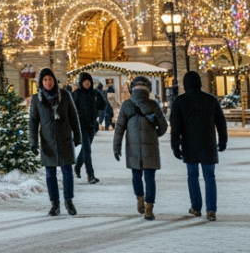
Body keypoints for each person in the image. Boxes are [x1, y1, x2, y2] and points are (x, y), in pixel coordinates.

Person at [170, 71, 227, 221]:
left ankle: (196, 207)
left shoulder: (180, 101)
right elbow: (220, 122)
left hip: (190, 144)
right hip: (208, 142)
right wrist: (223, 140)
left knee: (192, 175)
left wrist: (175, 146)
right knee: (209, 176)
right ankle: (211, 209)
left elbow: (175, 127)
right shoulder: (210, 100)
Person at [28, 68, 81, 216]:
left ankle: (68, 201)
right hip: (48, 141)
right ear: (41, 82)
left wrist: (77, 136)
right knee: (50, 173)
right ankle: (55, 204)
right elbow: (33, 121)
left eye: (50, 79)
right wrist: (33, 142)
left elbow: (73, 117)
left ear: (54, 80)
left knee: (67, 171)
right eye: (44, 80)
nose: (48, 82)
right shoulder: (36, 99)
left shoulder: (64, 95)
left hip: (64, 139)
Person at [114, 75, 168, 220]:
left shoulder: (127, 105)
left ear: (132, 89)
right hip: (151, 148)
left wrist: (116, 147)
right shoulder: (153, 104)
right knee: (150, 178)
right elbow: (163, 126)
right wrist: (155, 134)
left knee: (136, 176)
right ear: (148, 89)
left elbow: (119, 128)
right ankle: (149, 210)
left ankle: (140, 200)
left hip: (133, 149)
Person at [71, 72, 106, 184]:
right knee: (87, 149)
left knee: (85, 149)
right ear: (81, 82)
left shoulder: (95, 93)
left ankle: (77, 167)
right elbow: (70, 109)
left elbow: (103, 105)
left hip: (91, 125)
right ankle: (90, 175)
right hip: (80, 125)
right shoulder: (76, 94)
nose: (87, 83)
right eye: (85, 81)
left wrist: (98, 103)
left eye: (88, 81)